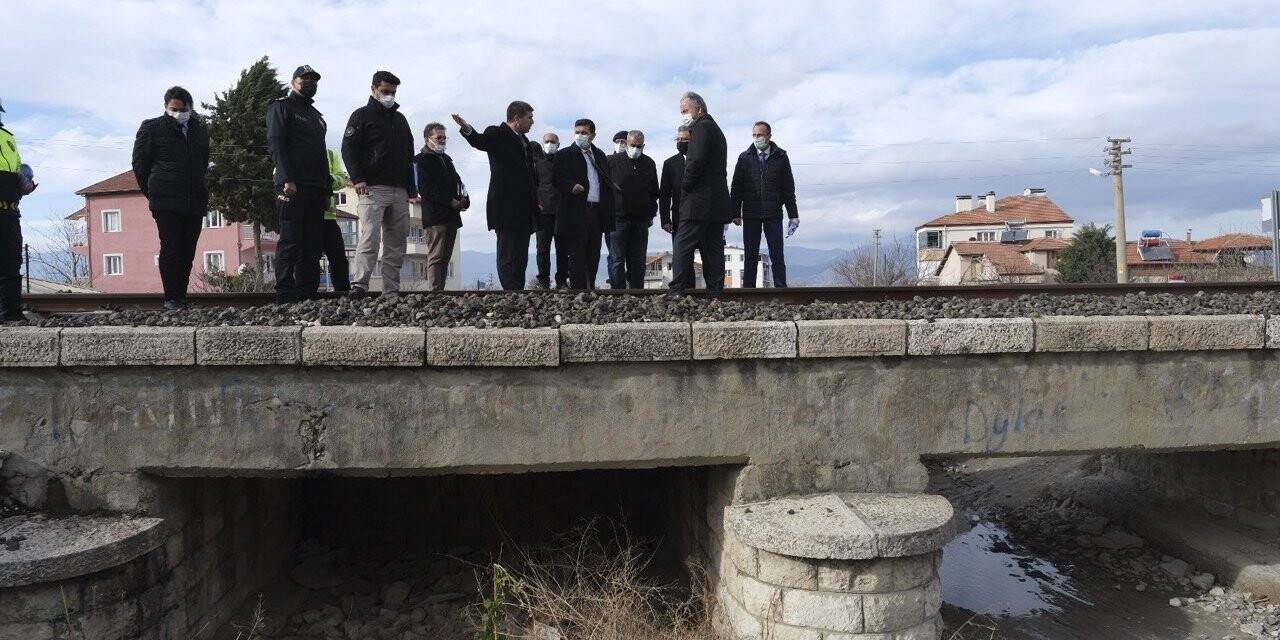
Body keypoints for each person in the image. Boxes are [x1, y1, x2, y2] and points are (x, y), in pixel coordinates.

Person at [131, 86, 210, 310]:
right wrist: (153, 192)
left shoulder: (199, 131)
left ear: (190, 108)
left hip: (194, 199)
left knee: (188, 250)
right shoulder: (152, 128)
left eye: (182, 109)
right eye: (173, 109)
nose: (178, 113)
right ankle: (171, 298)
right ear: (166, 107)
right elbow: (140, 165)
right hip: (166, 199)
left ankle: (181, 297)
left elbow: (202, 163)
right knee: (171, 247)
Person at [341, 70, 419, 299]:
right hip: (372, 189)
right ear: (374, 89)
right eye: (385, 91)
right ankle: (360, 286)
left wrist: (412, 189)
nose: (389, 96)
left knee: (396, 244)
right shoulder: (361, 116)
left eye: (393, 92)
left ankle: (391, 291)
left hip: (399, 191)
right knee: (370, 237)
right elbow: (348, 149)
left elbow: (409, 156)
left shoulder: (400, 119)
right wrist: (357, 178)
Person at [453, 101, 538, 290]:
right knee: (508, 251)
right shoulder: (497, 133)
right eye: (529, 117)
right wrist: (467, 129)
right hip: (505, 205)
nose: (532, 122)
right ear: (517, 118)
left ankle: (519, 291)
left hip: (525, 207)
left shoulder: (525, 142)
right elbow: (480, 141)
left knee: (521, 254)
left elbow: (530, 175)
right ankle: (510, 292)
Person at [267, 65, 331, 303]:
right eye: (305, 79)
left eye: (314, 80)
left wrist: (326, 189)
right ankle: (284, 292)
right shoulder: (281, 107)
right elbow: (276, 143)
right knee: (291, 239)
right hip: (291, 186)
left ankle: (308, 292)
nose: (310, 83)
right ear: (293, 82)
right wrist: (286, 178)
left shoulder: (317, 118)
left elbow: (321, 155)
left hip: (315, 188)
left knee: (313, 244)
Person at [669, 92, 731, 296]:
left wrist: (685, 185)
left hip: (698, 201)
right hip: (716, 202)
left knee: (682, 243)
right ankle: (715, 291)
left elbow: (695, 160)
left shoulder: (701, 127)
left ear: (699, 109)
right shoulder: (716, 129)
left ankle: (677, 289)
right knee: (713, 248)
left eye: (685, 111)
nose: (683, 115)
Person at [731, 121, 799, 288]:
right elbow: (736, 187)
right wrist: (735, 212)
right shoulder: (744, 158)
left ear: (769, 136)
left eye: (760, 135)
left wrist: (793, 215)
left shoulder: (781, 157)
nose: (757, 138)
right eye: (754, 135)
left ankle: (781, 289)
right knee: (750, 255)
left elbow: (788, 189)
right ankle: (748, 291)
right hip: (750, 213)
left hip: (773, 213)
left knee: (777, 254)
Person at [552, 118, 614, 290]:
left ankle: (590, 288)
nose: (580, 135)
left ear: (592, 135)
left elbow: (606, 183)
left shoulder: (600, 155)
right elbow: (556, 179)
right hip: (575, 212)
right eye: (577, 132)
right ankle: (578, 292)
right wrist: (571, 186)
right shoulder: (563, 155)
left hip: (596, 212)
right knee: (577, 256)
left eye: (584, 133)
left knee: (593, 254)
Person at [413, 122, 469, 291]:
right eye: (439, 137)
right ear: (427, 139)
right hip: (435, 216)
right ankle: (435, 291)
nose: (442, 140)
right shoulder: (420, 160)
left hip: (451, 216)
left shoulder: (447, 160)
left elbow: (458, 183)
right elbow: (425, 188)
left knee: (446, 257)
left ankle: (441, 290)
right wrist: (450, 201)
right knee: (436, 256)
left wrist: (465, 200)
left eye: (444, 137)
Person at [607, 130, 658, 289]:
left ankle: (637, 293)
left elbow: (654, 191)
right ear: (626, 143)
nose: (635, 148)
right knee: (617, 259)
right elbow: (605, 190)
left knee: (638, 261)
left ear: (643, 145)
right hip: (617, 220)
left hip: (641, 221)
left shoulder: (649, 163)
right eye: (632, 145)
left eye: (639, 146)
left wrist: (650, 213)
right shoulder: (612, 162)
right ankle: (618, 293)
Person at [0, 98, 36, 322]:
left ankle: (11, 313)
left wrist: (25, 183)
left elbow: (16, 170)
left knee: (11, 263)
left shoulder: (8, 137)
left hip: (9, 211)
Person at [659, 126, 694, 288]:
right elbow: (664, 194)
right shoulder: (670, 164)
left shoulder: (704, 160)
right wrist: (665, 219)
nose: (680, 142)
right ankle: (684, 289)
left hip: (701, 216)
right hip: (679, 219)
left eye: (684, 140)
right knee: (682, 256)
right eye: (678, 139)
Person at [532, 133, 567, 289]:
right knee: (542, 250)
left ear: (558, 144)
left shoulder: (565, 164)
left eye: (553, 142)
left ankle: (561, 280)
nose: (550, 144)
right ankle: (543, 281)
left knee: (562, 250)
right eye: (547, 141)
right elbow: (533, 186)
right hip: (543, 213)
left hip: (562, 213)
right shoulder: (537, 165)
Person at [323, 148, 351, 292]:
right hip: (306, 215)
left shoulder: (330, 154)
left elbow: (341, 178)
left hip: (328, 216)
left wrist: (328, 179)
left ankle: (343, 292)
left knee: (338, 257)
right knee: (307, 258)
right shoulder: (296, 147)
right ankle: (306, 293)